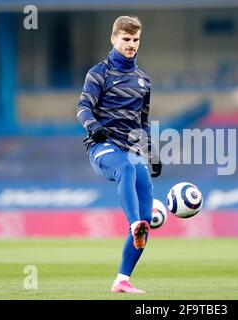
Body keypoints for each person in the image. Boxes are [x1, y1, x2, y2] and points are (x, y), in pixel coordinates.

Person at [77, 16, 161, 293]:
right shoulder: (99, 73)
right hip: (102, 147)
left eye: (136, 40)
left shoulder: (144, 80)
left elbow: (143, 122)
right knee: (125, 170)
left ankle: (122, 279)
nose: (131, 45)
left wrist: (151, 151)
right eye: (126, 39)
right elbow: (83, 109)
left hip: (130, 148)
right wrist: (94, 126)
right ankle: (133, 223)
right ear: (113, 39)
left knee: (146, 213)